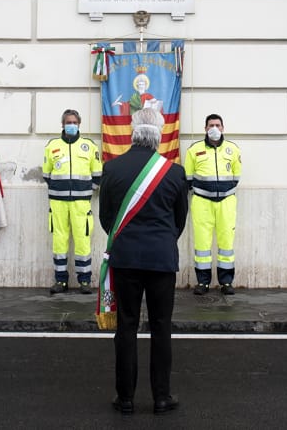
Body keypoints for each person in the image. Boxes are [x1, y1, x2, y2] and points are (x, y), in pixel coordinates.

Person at [99, 107, 189, 416]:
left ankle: (125, 399)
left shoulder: (112, 169)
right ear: (158, 137)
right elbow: (180, 220)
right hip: (162, 259)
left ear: (133, 133)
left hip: (125, 259)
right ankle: (161, 398)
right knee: (161, 327)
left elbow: (106, 218)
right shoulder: (175, 172)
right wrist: (162, 240)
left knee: (126, 327)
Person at [43, 109, 103, 294]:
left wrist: (86, 192)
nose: (71, 125)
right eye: (68, 122)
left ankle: (84, 280)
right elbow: (46, 174)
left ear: (79, 125)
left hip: (81, 203)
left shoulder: (89, 146)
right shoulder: (52, 146)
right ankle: (60, 281)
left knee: (82, 240)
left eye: (75, 122)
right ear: (62, 124)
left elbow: (97, 174)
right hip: (58, 203)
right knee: (59, 241)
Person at [184, 114, 242, 295]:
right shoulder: (194, 150)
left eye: (217, 125)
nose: (214, 128)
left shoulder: (233, 149)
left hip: (226, 202)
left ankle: (226, 282)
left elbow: (236, 177)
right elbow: (188, 178)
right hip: (202, 202)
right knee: (202, 243)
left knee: (226, 243)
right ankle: (203, 283)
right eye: (210, 125)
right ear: (205, 129)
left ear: (223, 128)